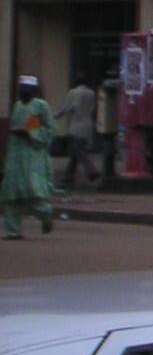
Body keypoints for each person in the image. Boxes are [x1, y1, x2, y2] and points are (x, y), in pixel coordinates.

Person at [4, 76, 56, 238]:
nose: (23, 91)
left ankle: (46, 214)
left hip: (33, 154)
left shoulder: (41, 107)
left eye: (26, 88)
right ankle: (13, 231)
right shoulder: (17, 106)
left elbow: (49, 130)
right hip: (15, 154)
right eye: (21, 88)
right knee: (11, 196)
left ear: (34, 90)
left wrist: (30, 133)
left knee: (31, 191)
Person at [56, 75, 97, 188]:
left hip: (76, 125)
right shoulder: (91, 93)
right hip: (87, 124)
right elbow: (92, 108)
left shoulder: (73, 92)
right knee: (75, 154)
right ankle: (67, 178)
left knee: (78, 151)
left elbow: (67, 108)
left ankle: (91, 170)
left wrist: (56, 116)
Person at [94, 76, 122, 188]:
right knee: (109, 148)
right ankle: (108, 172)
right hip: (109, 125)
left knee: (108, 148)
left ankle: (108, 173)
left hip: (108, 125)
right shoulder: (110, 95)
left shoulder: (105, 94)